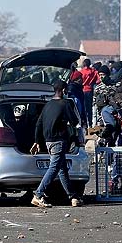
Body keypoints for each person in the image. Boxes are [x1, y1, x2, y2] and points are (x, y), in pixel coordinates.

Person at [30, 80, 83, 208]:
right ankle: (38, 194)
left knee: (62, 169)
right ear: (63, 90)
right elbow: (75, 121)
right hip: (59, 141)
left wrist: (37, 141)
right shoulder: (65, 104)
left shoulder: (47, 105)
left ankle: (73, 197)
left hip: (48, 142)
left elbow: (38, 124)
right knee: (54, 168)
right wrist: (76, 137)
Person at [80, 59, 99, 127]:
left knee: (83, 108)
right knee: (89, 109)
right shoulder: (93, 72)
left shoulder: (81, 72)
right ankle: (90, 124)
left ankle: (84, 124)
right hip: (90, 90)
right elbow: (98, 81)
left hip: (83, 90)